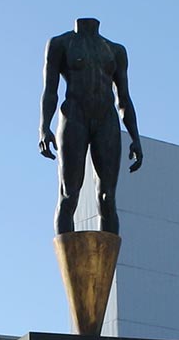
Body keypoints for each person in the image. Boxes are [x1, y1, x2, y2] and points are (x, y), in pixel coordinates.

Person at [40, 18, 142, 234]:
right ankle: (69, 265)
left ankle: (104, 265)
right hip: (74, 115)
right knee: (69, 195)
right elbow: (50, 91)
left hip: (106, 119)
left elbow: (123, 99)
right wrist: (44, 126)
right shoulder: (60, 44)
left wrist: (135, 137)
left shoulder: (115, 51)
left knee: (107, 197)